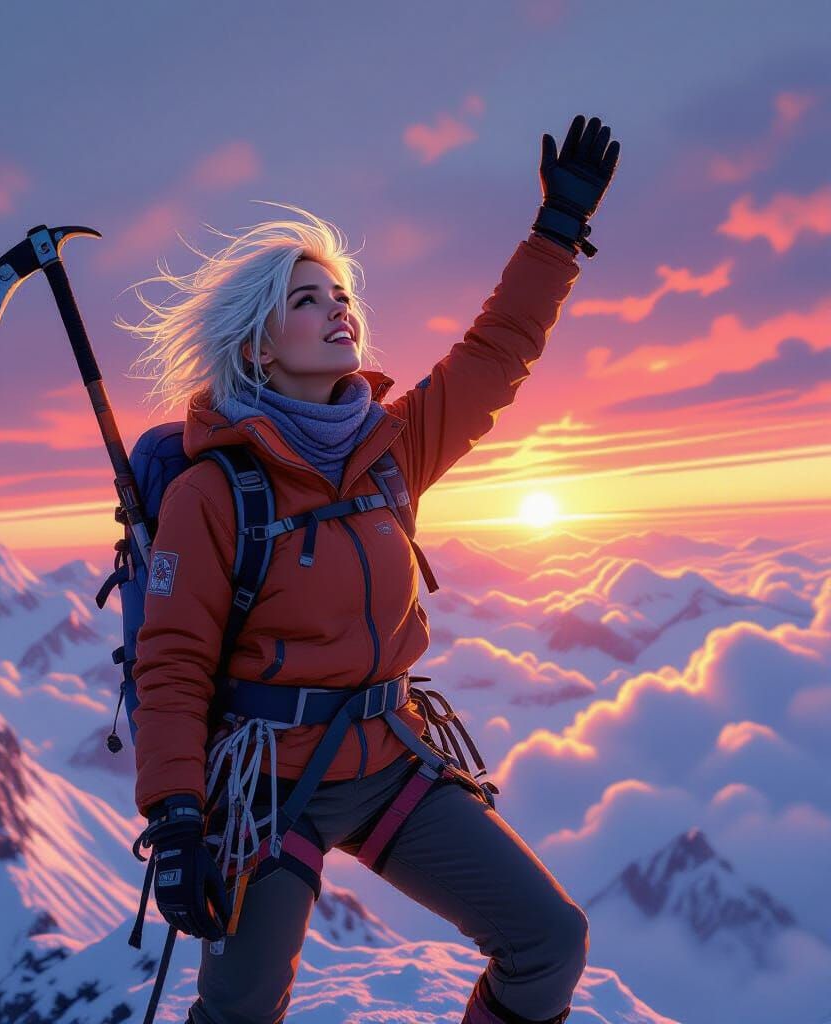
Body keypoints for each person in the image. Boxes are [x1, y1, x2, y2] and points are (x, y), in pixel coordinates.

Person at [121, 114, 620, 1024]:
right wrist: (178, 816)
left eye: (342, 293)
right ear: (258, 344)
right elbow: (173, 666)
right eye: (307, 299)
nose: (338, 308)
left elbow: (495, 353)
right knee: (239, 1012)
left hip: (390, 757)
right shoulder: (214, 492)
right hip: (267, 786)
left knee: (549, 941)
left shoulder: (391, 450)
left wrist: (557, 232)